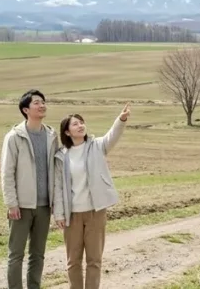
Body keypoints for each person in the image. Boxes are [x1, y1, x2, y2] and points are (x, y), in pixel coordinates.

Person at [52, 104, 131, 289]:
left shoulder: (97, 146)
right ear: (67, 131)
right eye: (75, 124)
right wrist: (59, 213)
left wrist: (121, 119)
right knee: (73, 261)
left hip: (96, 212)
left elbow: (113, 135)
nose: (80, 126)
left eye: (81, 122)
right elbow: (58, 187)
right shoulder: (61, 156)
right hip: (72, 215)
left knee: (94, 260)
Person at [1, 89, 58, 289]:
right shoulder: (14, 137)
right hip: (21, 206)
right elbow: (7, 172)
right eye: (36, 102)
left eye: (43, 102)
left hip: (44, 206)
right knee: (16, 254)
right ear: (26, 110)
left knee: (38, 254)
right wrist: (11, 203)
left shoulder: (52, 136)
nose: (42, 105)